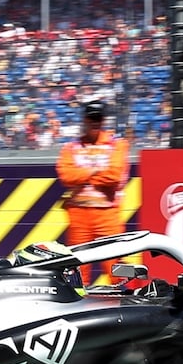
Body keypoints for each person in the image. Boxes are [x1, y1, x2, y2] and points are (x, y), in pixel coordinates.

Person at [55, 96, 130, 272]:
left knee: (117, 266)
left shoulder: (117, 145)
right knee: (77, 269)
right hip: (79, 214)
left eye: (99, 118)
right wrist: (95, 172)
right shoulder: (71, 147)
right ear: (85, 120)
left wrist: (82, 174)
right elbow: (66, 176)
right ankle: (79, 299)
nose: (95, 122)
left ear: (104, 120)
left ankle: (126, 298)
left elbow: (114, 176)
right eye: (91, 118)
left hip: (108, 214)